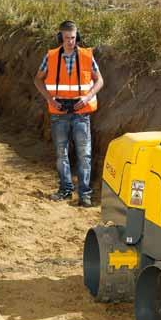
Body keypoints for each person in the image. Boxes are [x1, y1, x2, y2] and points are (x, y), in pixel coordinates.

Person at [33, 20, 104, 207]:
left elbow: (100, 81)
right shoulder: (51, 57)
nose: (71, 42)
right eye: (67, 38)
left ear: (77, 37)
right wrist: (50, 99)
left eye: (73, 38)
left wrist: (88, 97)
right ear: (60, 38)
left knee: (84, 154)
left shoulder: (87, 56)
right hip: (59, 112)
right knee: (61, 153)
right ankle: (65, 190)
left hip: (81, 112)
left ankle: (84, 194)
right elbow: (38, 80)